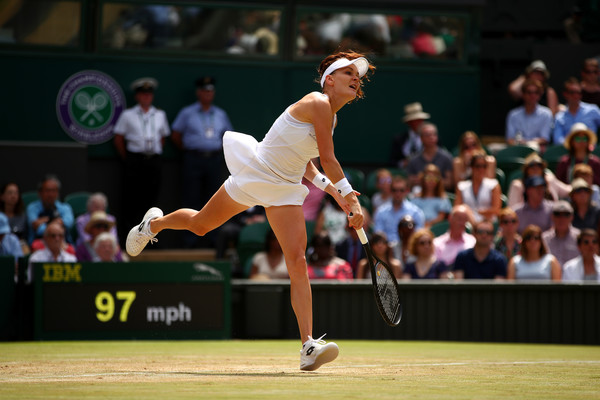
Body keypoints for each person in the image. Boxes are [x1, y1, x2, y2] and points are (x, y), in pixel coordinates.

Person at [125, 51, 374, 371]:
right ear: (329, 79)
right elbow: (328, 157)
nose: (356, 78)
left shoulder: (331, 116)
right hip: (257, 173)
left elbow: (306, 162)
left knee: (298, 261)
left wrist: (331, 190)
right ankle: (153, 225)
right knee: (201, 224)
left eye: (359, 75)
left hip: (284, 188)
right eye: (349, 72)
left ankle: (308, 346)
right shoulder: (318, 102)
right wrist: (348, 198)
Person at [171, 76, 234, 248]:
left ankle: (213, 240)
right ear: (198, 92)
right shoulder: (187, 112)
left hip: (214, 159)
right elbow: (175, 135)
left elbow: (229, 137)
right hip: (193, 158)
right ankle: (189, 242)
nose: (208, 94)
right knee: (191, 198)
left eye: (211, 91)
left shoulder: (220, 114)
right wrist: (190, 150)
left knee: (214, 199)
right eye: (205, 90)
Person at [114, 77, 171, 237]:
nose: (146, 97)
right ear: (137, 96)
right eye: (143, 94)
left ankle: (150, 236)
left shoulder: (160, 114)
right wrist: (129, 159)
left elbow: (163, 138)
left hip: (154, 160)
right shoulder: (128, 114)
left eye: (149, 94)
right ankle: (129, 235)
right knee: (131, 198)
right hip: (134, 160)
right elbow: (118, 139)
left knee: (151, 198)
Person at [373, 175, 425, 243]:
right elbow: (378, 234)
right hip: (387, 249)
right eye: (395, 190)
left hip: (408, 248)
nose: (398, 193)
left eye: (401, 190)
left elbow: (418, 236)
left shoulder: (416, 212)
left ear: (407, 191)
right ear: (390, 191)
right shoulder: (381, 212)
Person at [26, 174, 74, 245]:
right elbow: (39, 230)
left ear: (58, 193)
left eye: (54, 191)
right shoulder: (32, 208)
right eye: (47, 191)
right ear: (40, 193)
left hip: (63, 245)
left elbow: (68, 223)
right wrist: (58, 223)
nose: (50, 194)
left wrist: (43, 221)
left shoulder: (65, 208)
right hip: (39, 245)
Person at [454, 151, 501, 222]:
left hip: (487, 223)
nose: (481, 169)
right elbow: (457, 208)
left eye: (484, 166)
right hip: (467, 223)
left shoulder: (493, 184)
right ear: (471, 167)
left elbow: (496, 210)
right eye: (478, 166)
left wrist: (479, 212)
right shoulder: (461, 186)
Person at [505, 79, 553, 149]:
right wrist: (520, 144)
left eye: (536, 92)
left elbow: (545, 139)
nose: (532, 95)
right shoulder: (513, 115)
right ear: (523, 94)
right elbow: (509, 139)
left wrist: (528, 143)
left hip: (537, 152)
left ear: (540, 95)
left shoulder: (546, 114)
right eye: (529, 92)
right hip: (517, 149)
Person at [406, 122, 454, 191]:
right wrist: (414, 180)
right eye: (427, 135)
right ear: (421, 138)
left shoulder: (446, 157)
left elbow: (449, 183)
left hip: (441, 196)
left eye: (434, 134)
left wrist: (430, 180)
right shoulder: (413, 160)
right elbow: (409, 183)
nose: (431, 137)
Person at [553, 77, 600, 145]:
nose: (576, 95)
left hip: (592, 152)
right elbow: (558, 140)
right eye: (572, 92)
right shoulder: (559, 117)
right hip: (569, 152)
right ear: (565, 94)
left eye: (579, 93)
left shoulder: (593, 110)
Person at [433, 204, 475, 269]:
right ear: (450, 218)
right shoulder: (437, 243)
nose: (462, 223)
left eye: (465, 220)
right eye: (459, 219)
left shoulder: (473, 242)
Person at [390, 102, 430, 168]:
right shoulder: (399, 139)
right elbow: (392, 161)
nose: (419, 123)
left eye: (421, 120)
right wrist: (403, 163)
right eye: (416, 120)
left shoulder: (432, 138)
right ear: (409, 122)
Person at [542, 201, 580, 267]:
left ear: (572, 217)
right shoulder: (543, 238)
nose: (562, 218)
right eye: (557, 214)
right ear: (552, 217)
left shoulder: (579, 237)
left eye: (566, 215)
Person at [0, 182, 28, 254]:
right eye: (10, 193)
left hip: (19, 245)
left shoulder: (23, 216)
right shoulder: (1, 216)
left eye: (16, 193)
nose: (13, 196)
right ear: (2, 196)